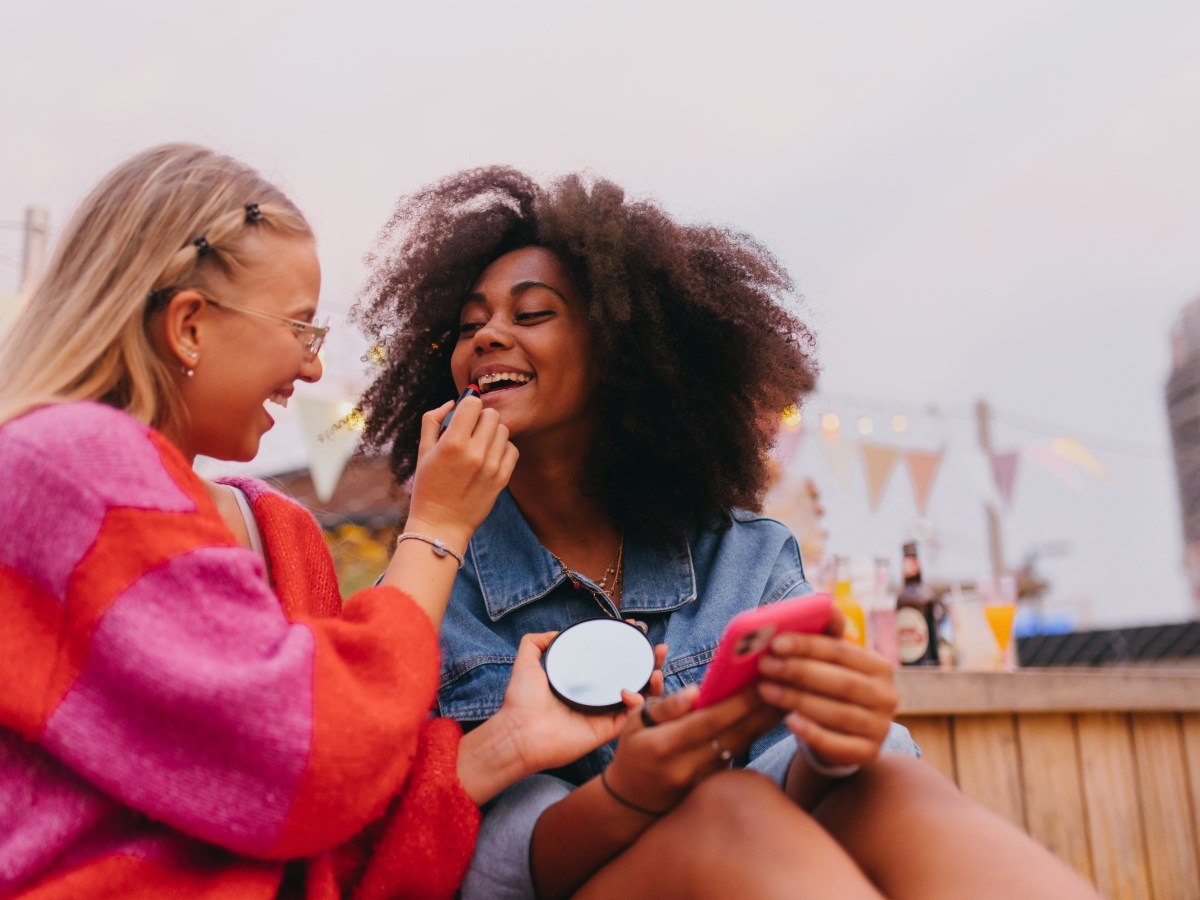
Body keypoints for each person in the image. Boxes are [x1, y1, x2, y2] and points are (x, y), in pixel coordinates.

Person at [355, 167, 1101, 899]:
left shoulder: (746, 557)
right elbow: (488, 865)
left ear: (621, 349)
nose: (487, 336)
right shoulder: (428, 593)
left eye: (530, 314)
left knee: (881, 780)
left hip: (762, 860)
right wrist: (631, 795)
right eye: (468, 324)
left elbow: (800, 775)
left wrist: (835, 741)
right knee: (726, 808)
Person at [0, 145, 642, 900]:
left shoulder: (282, 532)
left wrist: (508, 742)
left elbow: (326, 845)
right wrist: (435, 529)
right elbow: (310, 765)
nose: (312, 370)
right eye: (301, 328)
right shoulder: (65, 467)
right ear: (189, 327)